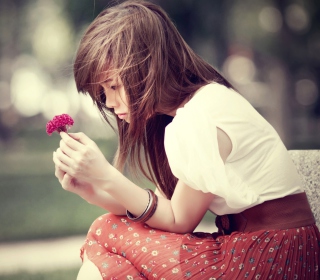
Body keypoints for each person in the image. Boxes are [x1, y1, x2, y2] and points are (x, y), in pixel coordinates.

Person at [52, 1, 320, 279]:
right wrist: (91, 189)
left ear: (147, 66)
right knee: (111, 246)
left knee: (106, 230)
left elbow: (178, 220)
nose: (108, 102)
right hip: (264, 250)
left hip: (273, 256)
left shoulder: (200, 115)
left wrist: (107, 175)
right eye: (102, 92)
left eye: (114, 86)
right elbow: (159, 205)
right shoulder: (194, 109)